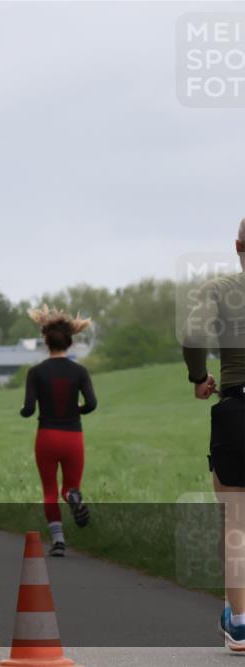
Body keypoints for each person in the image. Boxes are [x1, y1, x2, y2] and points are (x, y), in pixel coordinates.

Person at [181, 217, 245, 652]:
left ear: (238, 245)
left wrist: (199, 376)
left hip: (237, 409)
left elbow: (192, 333)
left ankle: (239, 622)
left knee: (237, 520)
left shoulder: (221, 290)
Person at [20, 305, 97, 558]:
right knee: (69, 487)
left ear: (45, 340)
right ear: (70, 342)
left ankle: (58, 541)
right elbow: (92, 404)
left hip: (47, 437)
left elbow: (30, 408)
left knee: (50, 490)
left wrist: (24, 411)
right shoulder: (80, 372)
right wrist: (77, 410)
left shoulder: (36, 372)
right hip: (73, 436)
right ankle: (73, 497)